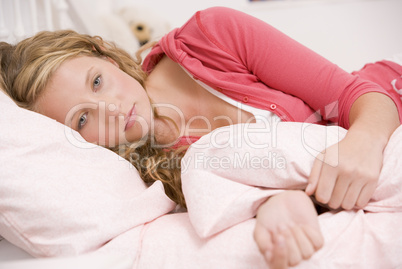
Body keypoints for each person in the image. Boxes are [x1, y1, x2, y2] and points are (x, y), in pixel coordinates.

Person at [1, 6, 401, 268]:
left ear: (104, 52)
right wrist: (278, 202)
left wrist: (363, 142)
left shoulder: (211, 36)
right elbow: (241, 193)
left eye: (98, 81)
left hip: (383, 107)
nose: (111, 110)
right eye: (83, 118)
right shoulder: (138, 173)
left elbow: (353, 95)